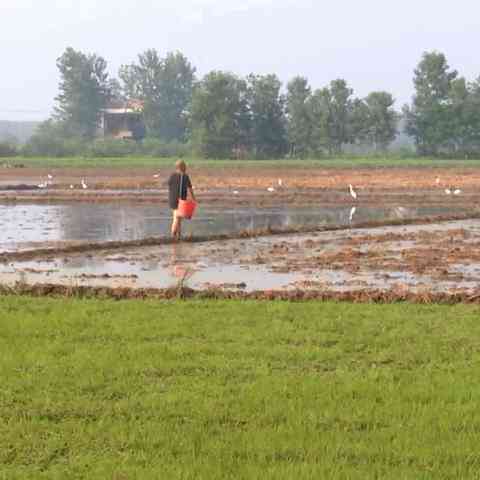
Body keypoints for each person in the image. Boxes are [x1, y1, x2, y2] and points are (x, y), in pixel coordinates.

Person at [168, 160, 196, 240]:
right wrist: (193, 199)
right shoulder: (185, 176)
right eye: (185, 166)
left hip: (172, 199)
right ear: (183, 167)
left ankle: (179, 236)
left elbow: (170, 185)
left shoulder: (172, 175)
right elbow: (190, 188)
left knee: (179, 218)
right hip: (180, 200)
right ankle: (173, 236)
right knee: (176, 218)